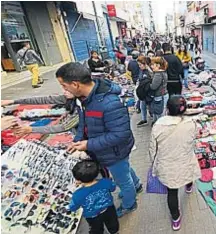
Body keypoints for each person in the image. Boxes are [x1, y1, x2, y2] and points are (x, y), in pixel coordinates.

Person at [56, 62, 141, 217]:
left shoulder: (109, 103)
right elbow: (84, 122)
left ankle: (130, 204)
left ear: (75, 84)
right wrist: (78, 139)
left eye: (64, 85)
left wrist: (88, 144)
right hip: (105, 150)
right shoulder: (85, 99)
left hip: (114, 151)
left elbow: (120, 134)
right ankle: (136, 185)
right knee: (124, 170)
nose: (64, 90)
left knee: (123, 179)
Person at [149, 95, 201, 231]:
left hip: (167, 164)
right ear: (184, 110)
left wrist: (154, 163)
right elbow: (194, 139)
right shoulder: (191, 123)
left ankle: (176, 219)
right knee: (188, 172)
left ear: (167, 109)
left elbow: (152, 149)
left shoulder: (159, 125)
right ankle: (189, 187)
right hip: (185, 158)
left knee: (172, 192)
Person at [69, 160, 119, 234]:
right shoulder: (105, 182)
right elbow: (113, 188)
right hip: (108, 208)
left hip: (92, 215)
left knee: (96, 228)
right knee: (112, 222)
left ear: (78, 180)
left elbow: (73, 207)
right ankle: (114, 231)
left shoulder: (77, 194)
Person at [1, 90, 79, 136]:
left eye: (65, 87)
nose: (63, 91)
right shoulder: (70, 98)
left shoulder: (85, 107)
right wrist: (13, 101)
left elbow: (65, 126)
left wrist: (31, 129)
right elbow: (43, 99)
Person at [148, 57, 169, 124]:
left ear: (158, 65)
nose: (151, 66)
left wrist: (148, 85)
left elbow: (153, 87)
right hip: (163, 95)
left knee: (159, 114)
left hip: (159, 96)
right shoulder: (162, 72)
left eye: (153, 65)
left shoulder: (158, 74)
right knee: (161, 112)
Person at [136, 56, 153, 127]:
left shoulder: (150, 71)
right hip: (142, 92)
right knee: (142, 105)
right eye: (138, 65)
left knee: (151, 106)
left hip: (149, 92)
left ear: (145, 64)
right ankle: (144, 119)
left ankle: (154, 119)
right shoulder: (141, 71)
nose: (139, 66)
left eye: (140, 65)